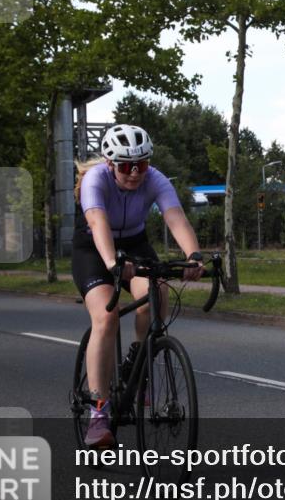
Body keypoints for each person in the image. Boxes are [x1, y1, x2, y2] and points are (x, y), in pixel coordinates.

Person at [72, 124, 203, 448]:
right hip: (93, 248)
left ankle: (139, 361)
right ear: (109, 163)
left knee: (155, 293)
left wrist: (193, 255)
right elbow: (97, 222)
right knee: (107, 316)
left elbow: (175, 218)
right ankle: (98, 414)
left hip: (135, 244)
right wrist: (113, 264)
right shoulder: (95, 180)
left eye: (141, 165)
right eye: (126, 166)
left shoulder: (155, 179)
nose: (134, 173)